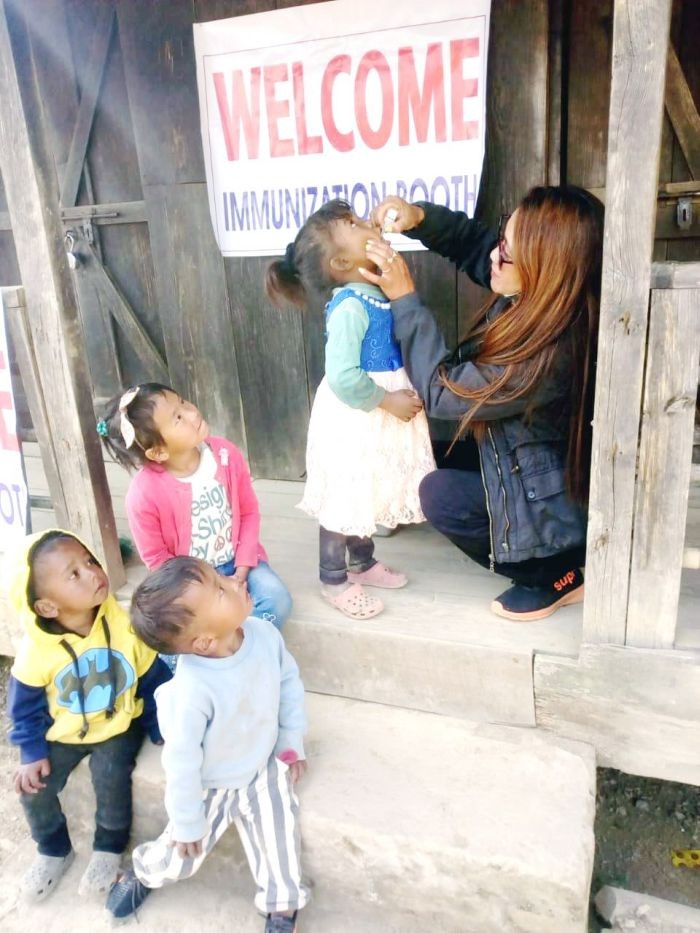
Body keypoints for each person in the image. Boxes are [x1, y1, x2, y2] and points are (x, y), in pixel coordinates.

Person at [361, 187, 604, 622]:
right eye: (502, 240)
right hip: (526, 456)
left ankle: (551, 573)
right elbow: (476, 245)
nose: (495, 254)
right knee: (425, 450)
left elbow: (441, 393)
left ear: (544, 268)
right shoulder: (546, 296)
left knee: (440, 496)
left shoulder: (547, 354)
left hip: (554, 500)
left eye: (507, 253)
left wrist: (403, 299)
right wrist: (419, 218)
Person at [105, 557, 308, 933]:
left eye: (219, 578)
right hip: (211, 784)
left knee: (280, 839)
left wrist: (290, 741)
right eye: (219, 589)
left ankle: (282, 908)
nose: (232, 581)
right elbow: (181, 762)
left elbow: (289, 685)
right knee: (184, 855)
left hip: (263, 767)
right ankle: (145, 870)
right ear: (203, 641)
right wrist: (186, 822)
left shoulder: (265, 636)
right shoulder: (191, 690)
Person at [265, 199, 436, 621]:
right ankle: (333, 577)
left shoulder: (373, 291)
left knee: (368, 487)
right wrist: (387, 400)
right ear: (342, 260)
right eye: (357, 225)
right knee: (345, 494)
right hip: (357, 414)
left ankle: (362, 563)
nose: (367, 224)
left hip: (375, 414)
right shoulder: (350, 306)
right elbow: (343, 376)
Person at [6, 530, 170, 901]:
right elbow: (24, 709)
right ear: (47, 607)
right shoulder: (36, 652)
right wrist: (31, 753)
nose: (94, 573)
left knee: (110, 775)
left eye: (90, 561)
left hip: (117, 724)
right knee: (34, 789)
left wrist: (162, 725)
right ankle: (53, 849)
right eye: (74, 574)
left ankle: (109, 848)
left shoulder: (125, 625)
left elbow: (153, 678)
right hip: (63, 731)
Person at [96, 384, 292, 648]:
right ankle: (215, 652)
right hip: (193, 584)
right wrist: (206, 591)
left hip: (240, 561)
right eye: (177, 418)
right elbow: (157, 559)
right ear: (158, 452)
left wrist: (243, 568)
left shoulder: (225, 455)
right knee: (175, 631)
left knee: (276, 599)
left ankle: (244, 651)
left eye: (184, 402)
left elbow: (248, 512)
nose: (191, 413)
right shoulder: (144, 495)